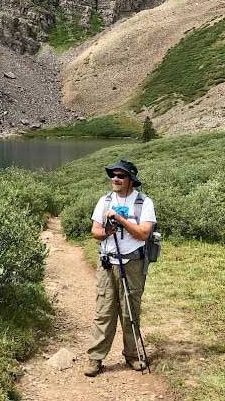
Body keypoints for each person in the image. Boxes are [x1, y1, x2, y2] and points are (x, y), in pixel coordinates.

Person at [84, 160, 157, 377]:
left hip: (132, 263)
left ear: (131, 180)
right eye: (113, 175)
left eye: (120, 176)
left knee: (130, 311)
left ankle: (133, 356)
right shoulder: (104, 201)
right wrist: (107, 231)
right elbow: (95, 231)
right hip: (108, 262)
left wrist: (121, 220)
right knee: (104, 311)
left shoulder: (144, 202)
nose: (115, 179)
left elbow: (144, 233)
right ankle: (95, 359)